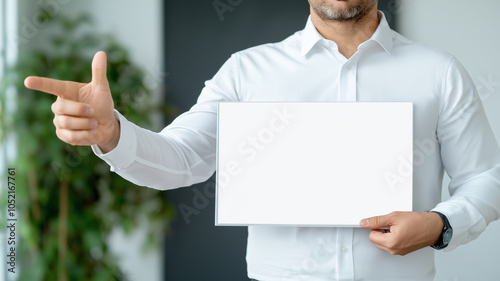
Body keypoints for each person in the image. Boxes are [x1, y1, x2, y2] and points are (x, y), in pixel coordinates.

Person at [24, 0, 500, 280]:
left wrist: (439, 224)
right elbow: (184, 158)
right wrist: (113, 134)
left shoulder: (438, 72)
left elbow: (485, 177)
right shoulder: (247, 70)